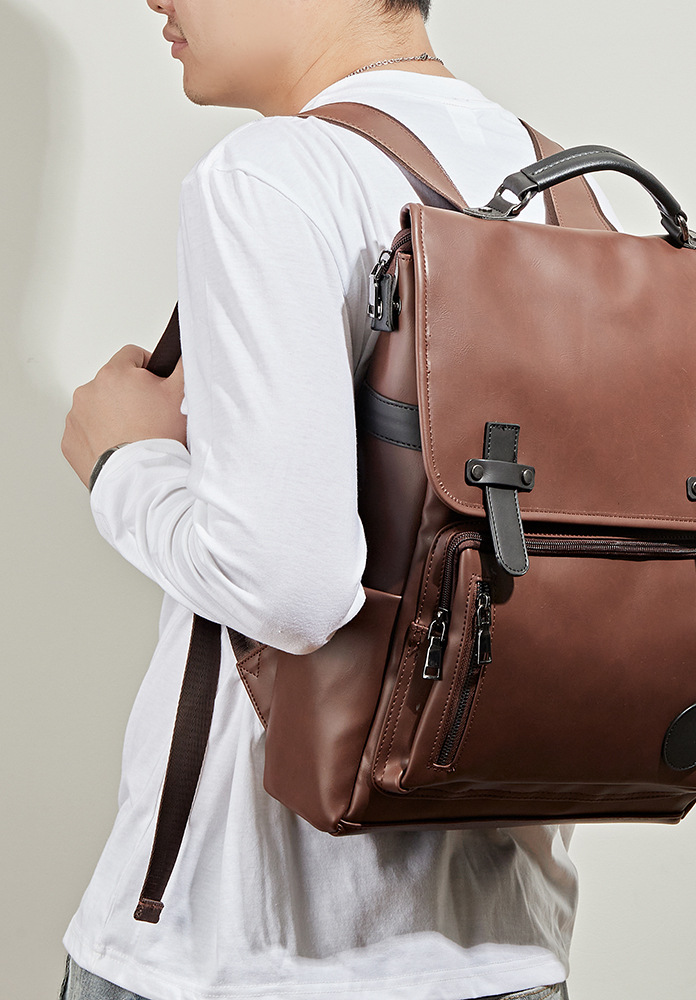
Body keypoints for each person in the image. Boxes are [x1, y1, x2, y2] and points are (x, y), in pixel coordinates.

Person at [59, 1, 581, 999]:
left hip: (243, 951)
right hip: (503, 942)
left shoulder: (274, 173)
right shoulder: (563, 189)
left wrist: (124, 462)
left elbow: (290, 590)